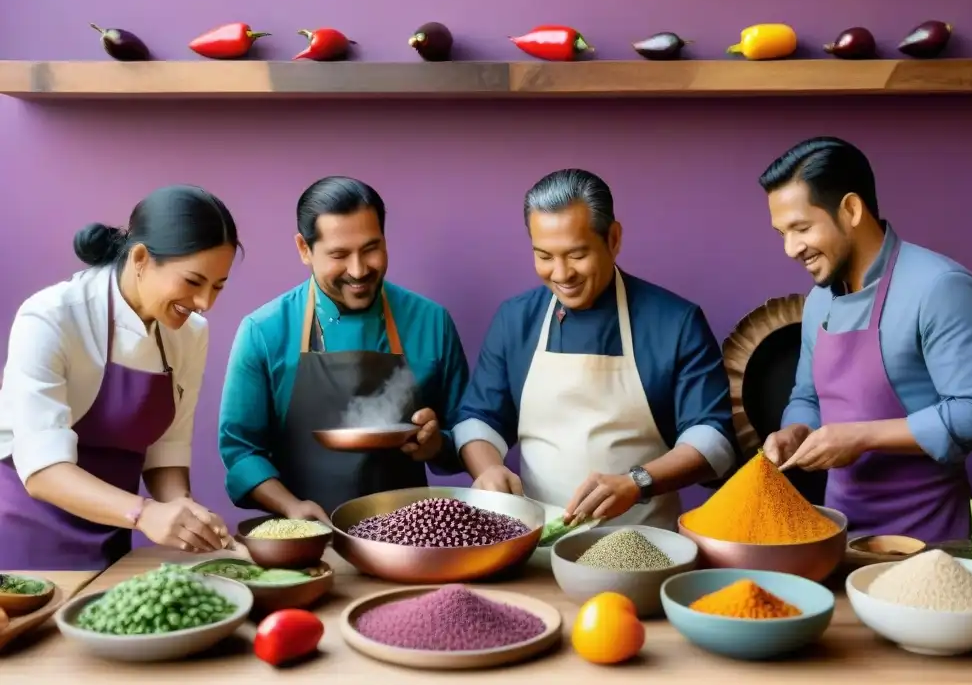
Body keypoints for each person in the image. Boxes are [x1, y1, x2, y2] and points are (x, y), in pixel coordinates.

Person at [759, 137, 972, 543]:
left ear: (852, 210)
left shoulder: (941, 288)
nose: (791, 248)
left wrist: (861, 436)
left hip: (931, 542)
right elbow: (806, 396)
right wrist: (796, 432)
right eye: (782, 232)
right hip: (840, 537)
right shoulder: (819, 301)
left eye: (801, 228)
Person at [454, 168, 737, 529]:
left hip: (643, 544)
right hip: (536, 543)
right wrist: (489, 469)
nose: (561, 274)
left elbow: (713, 440)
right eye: (544, 255)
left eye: (576, 255)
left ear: (613, 239)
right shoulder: (515, 320)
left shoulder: (675, 322)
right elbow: (479, 418)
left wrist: (637, 482)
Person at [0, 185, 241, 570]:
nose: (205, 303)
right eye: (194, 282)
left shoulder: (191, 333)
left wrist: (183, 512)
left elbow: (168, 449)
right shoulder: (49, 317)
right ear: (142, 258)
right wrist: (146, 514)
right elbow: (42, 470)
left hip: (113, 535)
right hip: (30, 540)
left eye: (218, 286)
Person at [218, 176, 471, 523]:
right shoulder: (263, 331)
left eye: (371, 249)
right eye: (339, 254)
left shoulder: (431, 322)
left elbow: (468, 437)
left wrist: (436, 444)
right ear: (304, 249)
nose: (358, 270)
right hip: (306, 538)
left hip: (409, 537)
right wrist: (290, 507)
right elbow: (241, 450)